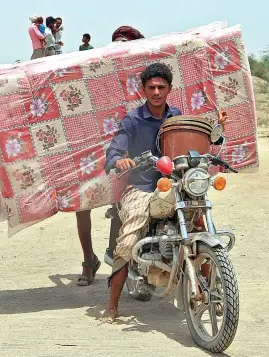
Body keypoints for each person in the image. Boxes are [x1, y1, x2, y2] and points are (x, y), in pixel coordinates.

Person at [101, 63, 227, 323]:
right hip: (143, 186)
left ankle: (214, 289)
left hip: (174, 184)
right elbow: (114, 150)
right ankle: (112, 305)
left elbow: (194, 142)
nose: (156, 92)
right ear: (144, 90)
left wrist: (216, 133)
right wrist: (118, 160)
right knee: (128, 238)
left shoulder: (177, 116)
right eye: (151, 87)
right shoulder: (133, 120)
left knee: (199, 223)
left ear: (169, 89)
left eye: (161, 87)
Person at [76, 26, 145, 287]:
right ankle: (88, 259)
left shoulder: (143, 75)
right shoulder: (98, 69)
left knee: (125, 200)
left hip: (127, 144)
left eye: (124, 43)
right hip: (95, 144)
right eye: (115, 42)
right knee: (81, 201)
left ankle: (121, 257)